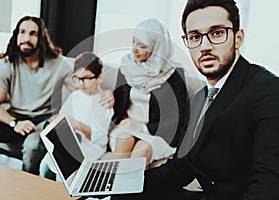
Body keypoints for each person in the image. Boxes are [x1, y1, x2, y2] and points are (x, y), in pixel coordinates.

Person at [111, 0, 279, 199]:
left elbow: (268, 186)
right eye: (195, 36)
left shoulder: (268, 90)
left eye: (217, 33)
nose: (205, 46)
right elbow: (184, 166)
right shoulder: (199, 99)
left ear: (238, 38)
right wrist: (123, 184)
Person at [0, 16, 74, 175]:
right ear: (16, 36)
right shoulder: (7, 64)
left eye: (33, 33)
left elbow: (81, 93)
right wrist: (14, 123)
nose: (26, 38)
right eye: (22, 32)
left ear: (41, 38)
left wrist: (58, 117)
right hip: (15, 119)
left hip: (43, 122)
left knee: (32, 149)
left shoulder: (60, 64)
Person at [107, 18, 188, 169]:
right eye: (133, 42)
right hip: (128, 126)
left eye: (142, 46)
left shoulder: (174, 75)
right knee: (123, 140)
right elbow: (118, 104)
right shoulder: (126, 67)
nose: (134, 50)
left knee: (140, 153)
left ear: (156, 47)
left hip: (157, 133)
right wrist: (109, 99)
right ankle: (112, 190)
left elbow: (178, 119)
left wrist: (140, 128)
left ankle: (129, 192)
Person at [39, 51, 113, 181]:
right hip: (70, 143)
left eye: (86, 79)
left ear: (99, 77)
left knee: (61, 174)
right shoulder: (75, 96)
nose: (80, 84)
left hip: (89, 151)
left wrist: (77, 125)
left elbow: (99, 141)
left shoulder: (103, 102)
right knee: (45, 165)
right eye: (77, 78)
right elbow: (62, 119)